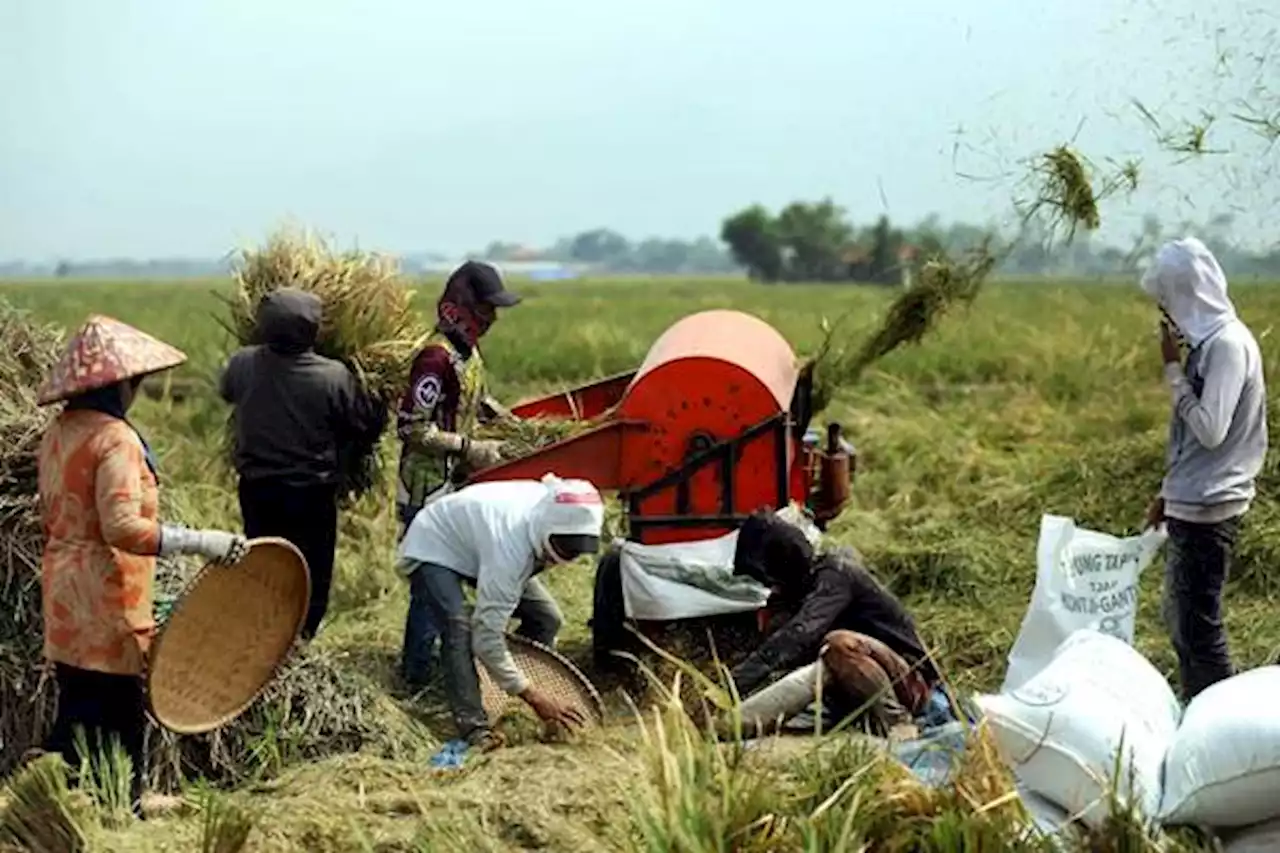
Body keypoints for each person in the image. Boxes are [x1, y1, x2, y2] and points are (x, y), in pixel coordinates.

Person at [35, 315, 248, 818]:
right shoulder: (116, 440)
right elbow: (123, 528)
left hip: (64, 594)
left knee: (78, 704)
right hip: (108, 600)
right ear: (120, 384)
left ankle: (54, 803)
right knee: (121, 712)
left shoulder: (59, 432)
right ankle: (120, 810)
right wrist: (204, 542)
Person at [1139, 236, 1267, 701]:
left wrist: (1173, 373)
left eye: (1168, 302)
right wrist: (1167, 493)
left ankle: (1223, 723)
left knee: (1199, 631)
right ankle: (1199, 711)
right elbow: (1193, 443)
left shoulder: (1228, 347)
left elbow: (1211, 430)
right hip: (1192, 500)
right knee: (1181, 624)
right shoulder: (1209, 345)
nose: (1167, 317)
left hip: (1212, 507)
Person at [220, 288, 387, 640]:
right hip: (310, 495)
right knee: (310, 575)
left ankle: (263, 641)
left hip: (257, 490)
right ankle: (299, 642)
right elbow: (360, 424)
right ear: (313, 332)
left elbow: (227, 392)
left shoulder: (243, 364)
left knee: (265, 568)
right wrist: (379, 404)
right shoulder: (333, 376)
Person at [397, 473, 604, 752]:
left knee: (546, 618)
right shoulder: (509, 553)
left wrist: (521, 685)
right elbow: (485, 638)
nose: (566, 557)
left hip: (478, 542)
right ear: (546, 528)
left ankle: (508, 686)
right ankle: (474, 727)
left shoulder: (554, 505)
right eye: (563, 547)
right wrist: (535, 696)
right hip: (435, 540)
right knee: (458, 626)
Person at [395, 260, 520, 687]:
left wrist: (511, 422)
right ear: (462, 308)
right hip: (427, 488)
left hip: (457, 485)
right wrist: (470, 447)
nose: (493, 319)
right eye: (487, 308)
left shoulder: (469, 353)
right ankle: (417, 675)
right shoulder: (435, 357)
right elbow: (411, 427)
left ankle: (440, 660)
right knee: (430, 587)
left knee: (451, 583)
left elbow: (478, 399)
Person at [725, 510, 942, 737]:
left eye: (771, 576)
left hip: (911, 683)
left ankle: (897, 724)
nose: (771, 585)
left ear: (783, 562)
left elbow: (797, 635)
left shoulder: (836, 575)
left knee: (839, 646)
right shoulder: (798, 593)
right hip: (854, 687)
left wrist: (731, 686)